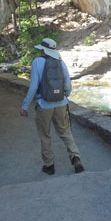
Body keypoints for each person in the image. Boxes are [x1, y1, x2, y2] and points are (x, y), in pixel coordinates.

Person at [20, 38, 84, 175]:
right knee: (65, 132)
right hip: (61, 104)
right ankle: (75, 157)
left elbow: (33, 86)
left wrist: (25, 106)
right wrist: (64, 96)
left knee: (45, 135)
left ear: (43, 50)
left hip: (44, 105)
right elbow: (68, 85)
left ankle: (49, 165)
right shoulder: (61, 62)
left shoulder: (37, 62)